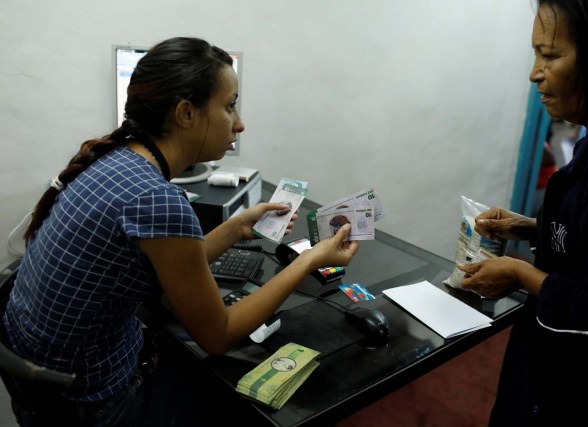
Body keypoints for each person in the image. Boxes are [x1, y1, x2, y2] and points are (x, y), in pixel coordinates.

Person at [2, 37, 359, 426]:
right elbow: (218, 335)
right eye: (229, 105)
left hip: (44, 393)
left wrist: (236, 227)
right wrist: (309, 260)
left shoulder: (115, 161)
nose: (240, 123)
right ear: (187, 113)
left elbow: (172, 264)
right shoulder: (158, 200)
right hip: (99, 405)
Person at [458, 0, 588, 425]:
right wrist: (530, 227)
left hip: (580, 384)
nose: (535, 72)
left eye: (551, 55)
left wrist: (520, 274)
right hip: (545, 355)